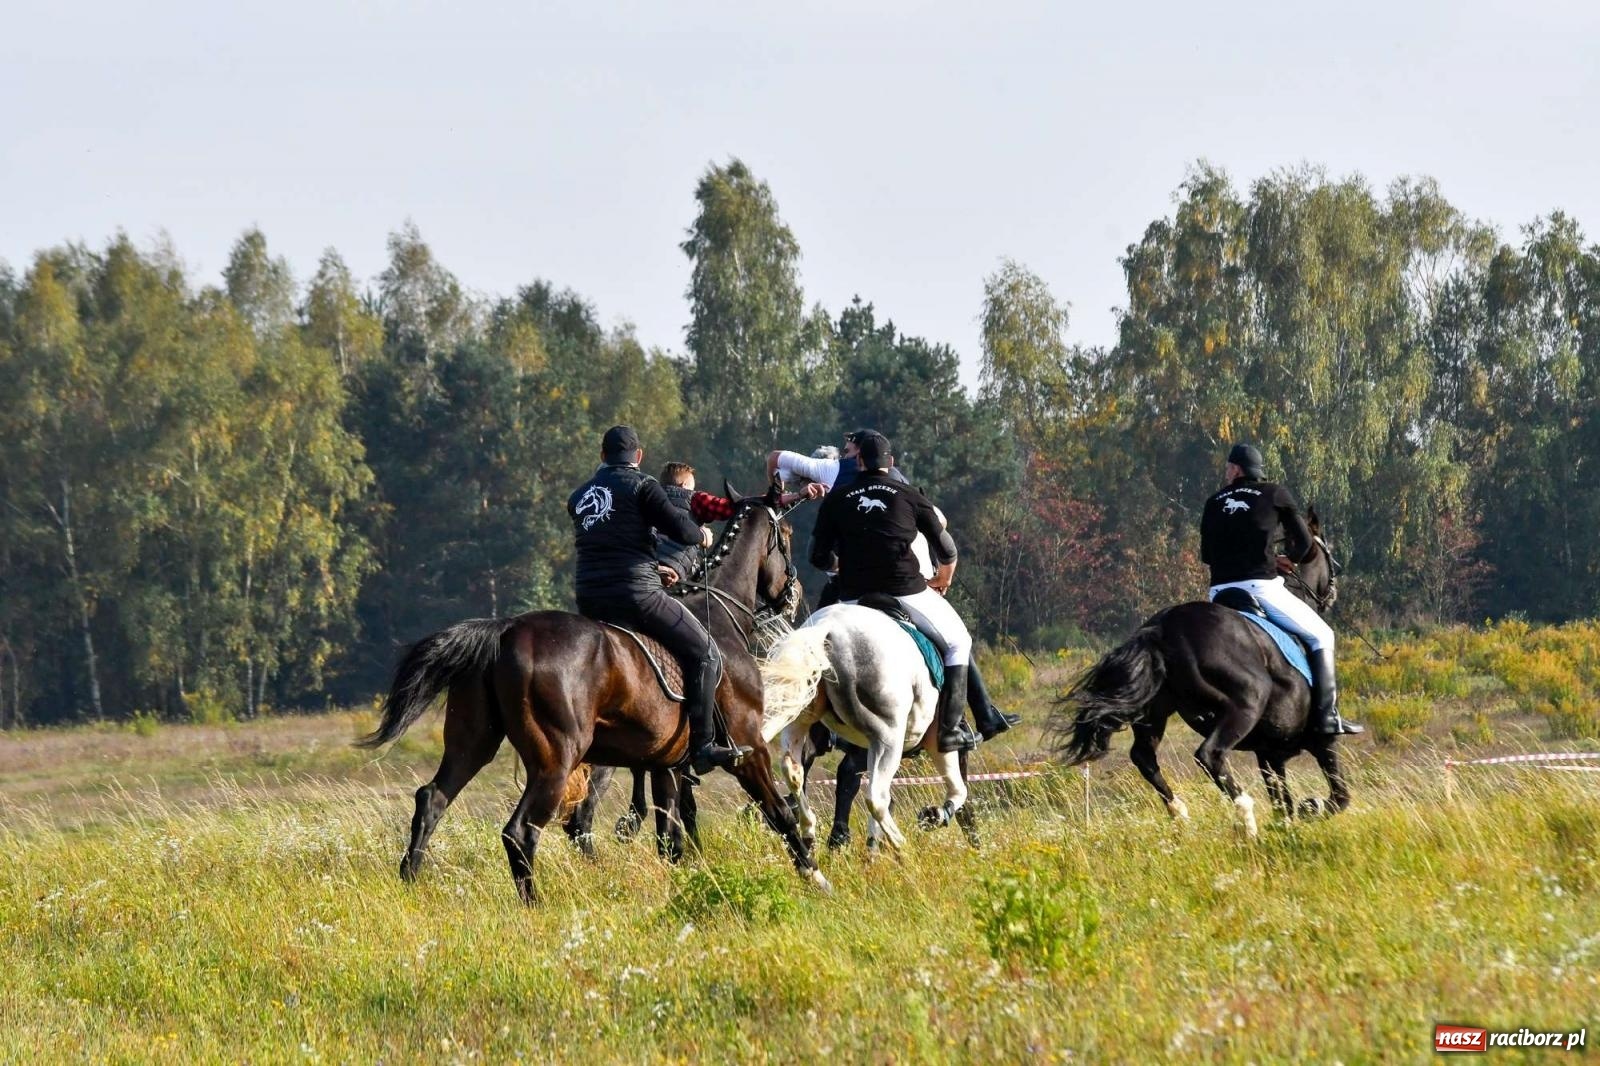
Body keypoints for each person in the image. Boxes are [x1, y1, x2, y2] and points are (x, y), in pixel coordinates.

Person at [568, 426, 752, 773]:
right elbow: (681, 530)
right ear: (638, 456)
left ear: (602, 455)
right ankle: (703, 746)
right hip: (636, 595)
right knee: (706, 653)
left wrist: (652, 564)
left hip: (589, 597)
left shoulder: (578, 497)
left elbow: (612, 543)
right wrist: (701, 534)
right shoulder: (643, 485)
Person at [809, 431, 1003, 752]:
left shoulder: (837, 498)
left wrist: (842, 566)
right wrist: (942, 579)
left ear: (859, 461)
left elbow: (817, 557)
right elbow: (947, 549)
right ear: (891, 462)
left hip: (852, 595)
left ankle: (819, 726)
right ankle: (950, 730)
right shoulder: (909, 494)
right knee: (959, 642)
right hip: (905, 590)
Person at [1200, 443, 1362, 735]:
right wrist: (1287, 559)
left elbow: (1208, 556)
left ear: (1236, 469)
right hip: (1260, 588)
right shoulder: (1274, 493)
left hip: (1219, 592)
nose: (1226, 472)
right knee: (1323, 634)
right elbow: (1305, 543)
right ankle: (1328, 716)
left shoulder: (1214, 502)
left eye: (1228, 468)